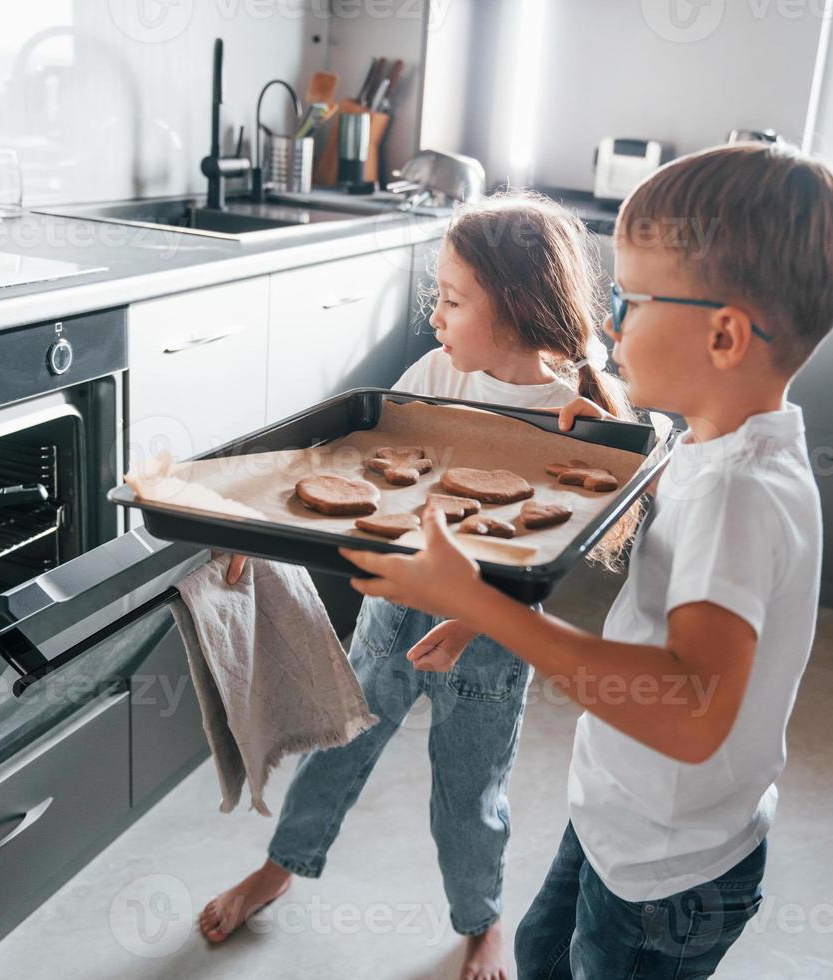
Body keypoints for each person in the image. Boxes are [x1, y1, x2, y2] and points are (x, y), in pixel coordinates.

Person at [339, 142, 833, 978]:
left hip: (669, 874)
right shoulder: (719, 440)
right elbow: (672, 530)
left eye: (632, 301)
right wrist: (613, 445)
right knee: (541, 950)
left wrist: (493, 612)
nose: (611, 325)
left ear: (726, 334)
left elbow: (694, 709)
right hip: (623, 817)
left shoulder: (740, 493)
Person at [199, 191, 630, 980]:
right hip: (391, 616)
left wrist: (472, 617)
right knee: (337, 748)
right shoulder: (437, 372)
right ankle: (281, 866)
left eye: (455, 300)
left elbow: (551, 556)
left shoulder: (572, 415)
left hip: (489, 646)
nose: (436, 315)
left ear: (519, 308)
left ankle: (482, 921)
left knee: (469, 796)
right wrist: (255, 537)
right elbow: (354, 473)